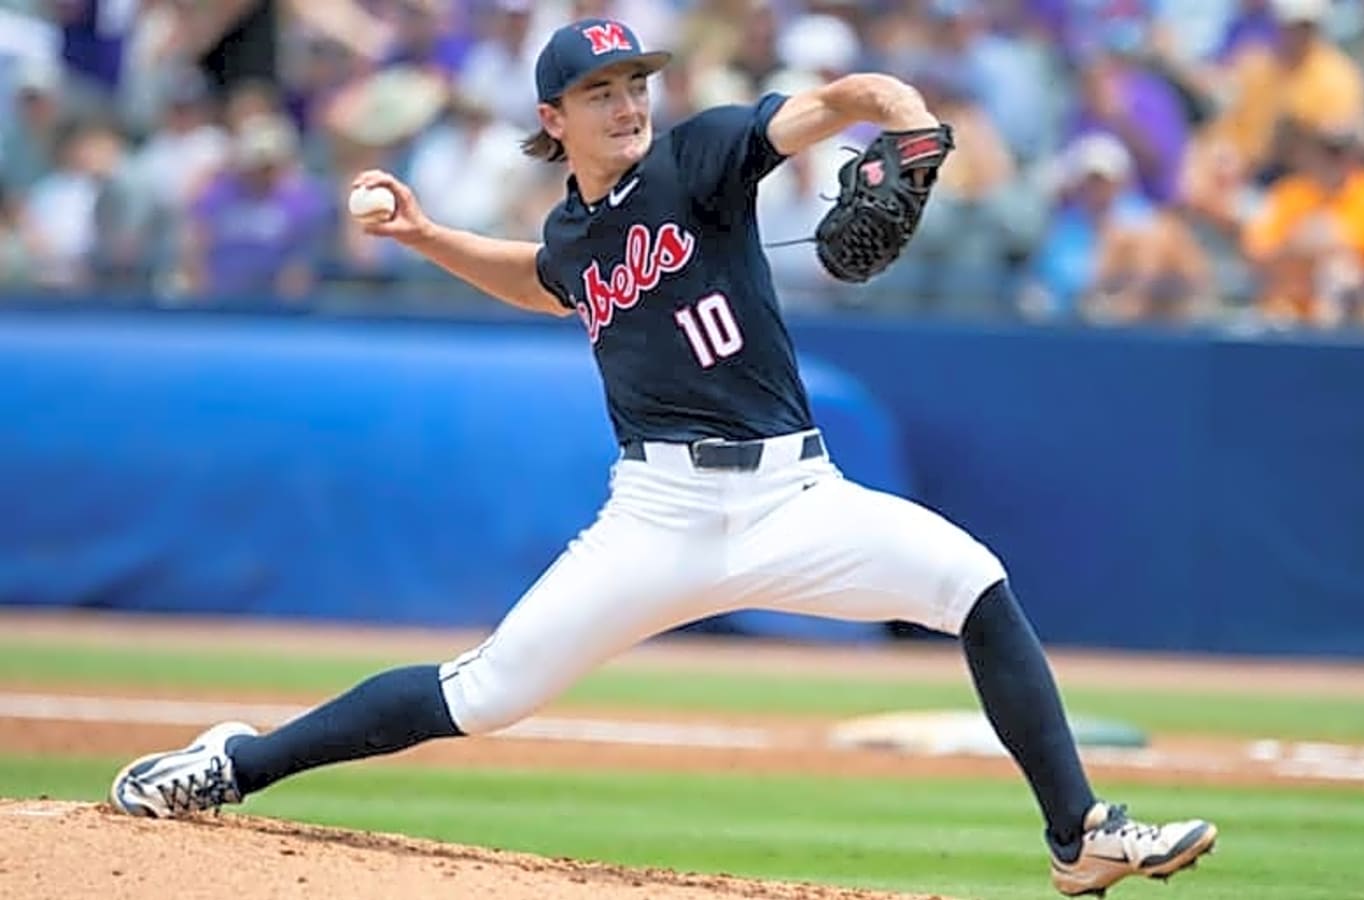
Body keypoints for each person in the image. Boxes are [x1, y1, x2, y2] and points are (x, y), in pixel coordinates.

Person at [105, 18, 1217, 897]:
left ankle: (1078, 836)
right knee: (483, 694)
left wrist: (914, 122)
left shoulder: (701, 154)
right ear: (555, 117)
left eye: (635, 82)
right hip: (658, 515)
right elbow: (545, 278)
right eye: (601, 91)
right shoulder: (576, 235)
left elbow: (839, 102)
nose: (628, 102)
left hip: (797, 495)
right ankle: (235, 763)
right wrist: (427, 235)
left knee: (972, 582)